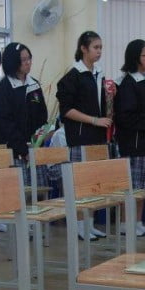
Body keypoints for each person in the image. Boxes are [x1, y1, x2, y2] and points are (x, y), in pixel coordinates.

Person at [56, 30, 111, 240]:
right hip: (80, 138)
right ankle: (79, 226)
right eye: (95, 47)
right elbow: (67, 110)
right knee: (81, 185)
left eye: (101, 48)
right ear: (83, 49)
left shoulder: (98, 74)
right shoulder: (72, 76)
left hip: (98, 138)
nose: (99, 51)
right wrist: (94, 120)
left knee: (94, 184)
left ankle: (89, 224)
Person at [114, 39, 145, 237]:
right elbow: (126, 117)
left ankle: (138, 221)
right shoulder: (128, 83)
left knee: (144, 187)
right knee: (133, 186)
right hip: (133, 144)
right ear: (135, 57)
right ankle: (125, 223)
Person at [0, 42, 49, 193]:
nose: (28, 62)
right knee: (21, 196)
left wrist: (39, 141)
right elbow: (5, 124)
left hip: (35, 151)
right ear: (13, 62)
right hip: (16, 153)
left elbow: (42, 116)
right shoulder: (4, 89)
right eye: (23, 60)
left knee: (40, 193)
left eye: (29, 58)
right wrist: (24, 150)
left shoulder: (34, 85)